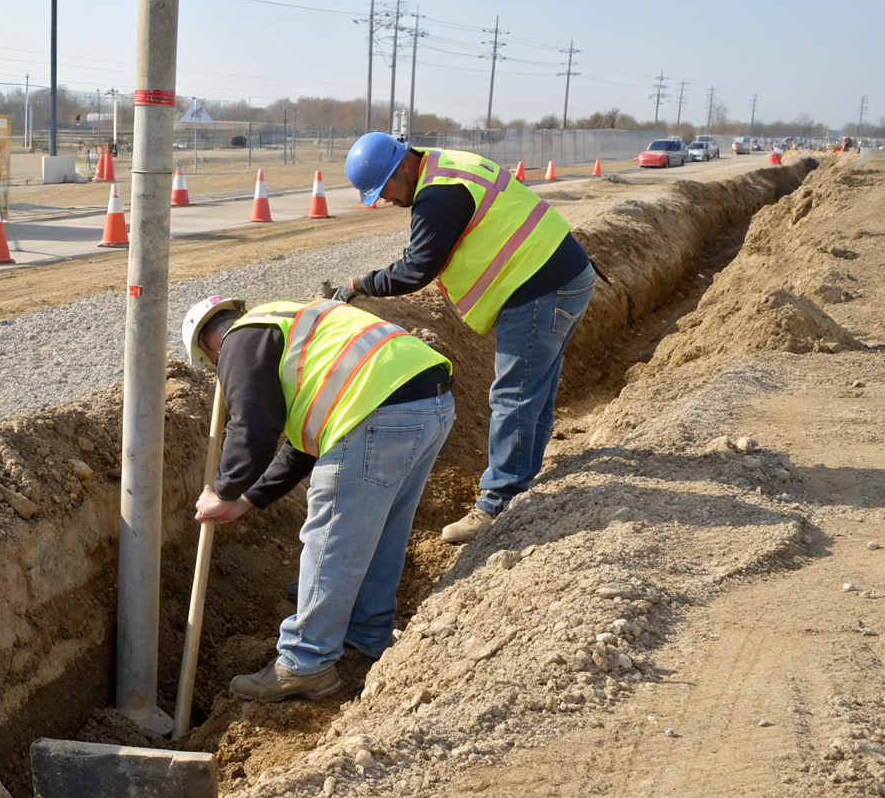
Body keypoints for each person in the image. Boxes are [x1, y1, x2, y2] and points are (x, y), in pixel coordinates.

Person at [183, 294, 455, 702]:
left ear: (210, 342)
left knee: (331, 541)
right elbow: (302, 447)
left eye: (213, 364)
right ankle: (367, 633)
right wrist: (246, 500)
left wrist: (224, 490)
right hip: (429, 401)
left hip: (375, 414)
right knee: (383, 530)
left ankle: (304, 662)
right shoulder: (291, 323)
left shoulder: (239, 340)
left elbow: (252, 427)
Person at [330, 132, 598, 545]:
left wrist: (361, 284)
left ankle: (499, 501)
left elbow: (417, 268)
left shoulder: (437, 195)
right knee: (535, 389)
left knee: (514, 395)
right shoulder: (444, 167)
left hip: (538, 286)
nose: (385, 200)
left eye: (384, 190)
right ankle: (523, 479)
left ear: (404, 166)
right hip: (562, 275)